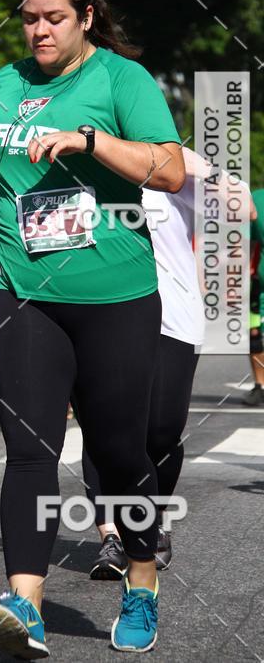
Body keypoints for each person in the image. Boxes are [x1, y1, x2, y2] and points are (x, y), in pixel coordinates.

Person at [0, 0, 185, 656]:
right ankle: (25, 604)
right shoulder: (6, 82)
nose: (39, 30)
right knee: (29, 449)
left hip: (114, 293)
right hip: (21, 287)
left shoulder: (121, 79)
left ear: (86, 16)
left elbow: (169, 169)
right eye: (29, 18)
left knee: (118, 449)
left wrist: (89, 141)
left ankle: (141, 581)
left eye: (54, 18)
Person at [84, 149, 255, 579]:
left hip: (173, 318)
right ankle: (112, 537)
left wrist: (204, 168)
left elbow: (245, 209)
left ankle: (151, 518)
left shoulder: (169, 162)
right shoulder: (81, 155)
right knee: (103, 428)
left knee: (162, 430)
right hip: (100, 312)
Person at [244, 188, 264, 405]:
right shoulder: (256, 199)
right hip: (259, 285)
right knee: (255, 335)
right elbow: (245, 241)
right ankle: (260, 385)